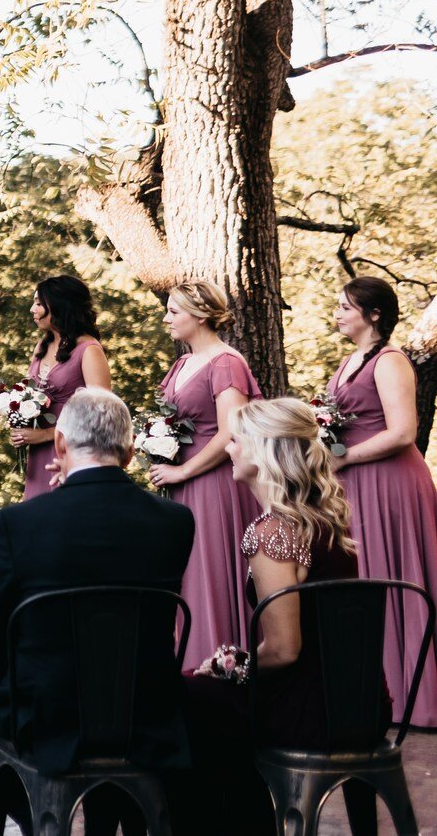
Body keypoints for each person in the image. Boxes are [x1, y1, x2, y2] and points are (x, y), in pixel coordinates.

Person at [0, 390, 195, 823]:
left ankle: (42, 821)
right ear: (131, 450)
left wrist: (5, 674)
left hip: (48, 710)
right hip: (146, 708)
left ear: (59, 445)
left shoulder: (20, 522)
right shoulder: (174, 521)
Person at [176, 399, 381, 834]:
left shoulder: (273, 532)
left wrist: (234, 663)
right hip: (357, 701)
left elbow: (286, 650)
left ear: (263, 450)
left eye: (237, 440)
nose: (228, 449)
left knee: (186, 694)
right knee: (206, 690)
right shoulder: (323, 520)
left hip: (310, 710)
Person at [327, 276, 437, 727]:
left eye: (346, 307)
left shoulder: (391, 361)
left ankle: (418, 695)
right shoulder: (349, 361)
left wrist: (345, 456)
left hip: (391, 484)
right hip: (356, 484)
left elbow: (403, 432)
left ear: (374, 314)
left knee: (396, 576)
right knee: (368, 580)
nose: (337, 313)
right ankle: (380, 689)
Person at [147, 279, 262, 667]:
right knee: (187, 576)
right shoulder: (182, 362)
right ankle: (189, 666)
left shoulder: (226, 362)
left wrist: (184, 472)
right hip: (183, 483)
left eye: (174, 312)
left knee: (211, 573)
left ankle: (220, 668)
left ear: (199, 315)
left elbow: (232, 429)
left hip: (215, 483)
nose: (166, 318)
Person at [14, 275, 113, 499]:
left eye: (39, 303)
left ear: (60, 305)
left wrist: (47, 435)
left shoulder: (89, 350)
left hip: (74, 450)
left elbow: (102, 415)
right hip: (38, 453)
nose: (32, 309)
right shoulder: (43, 345)